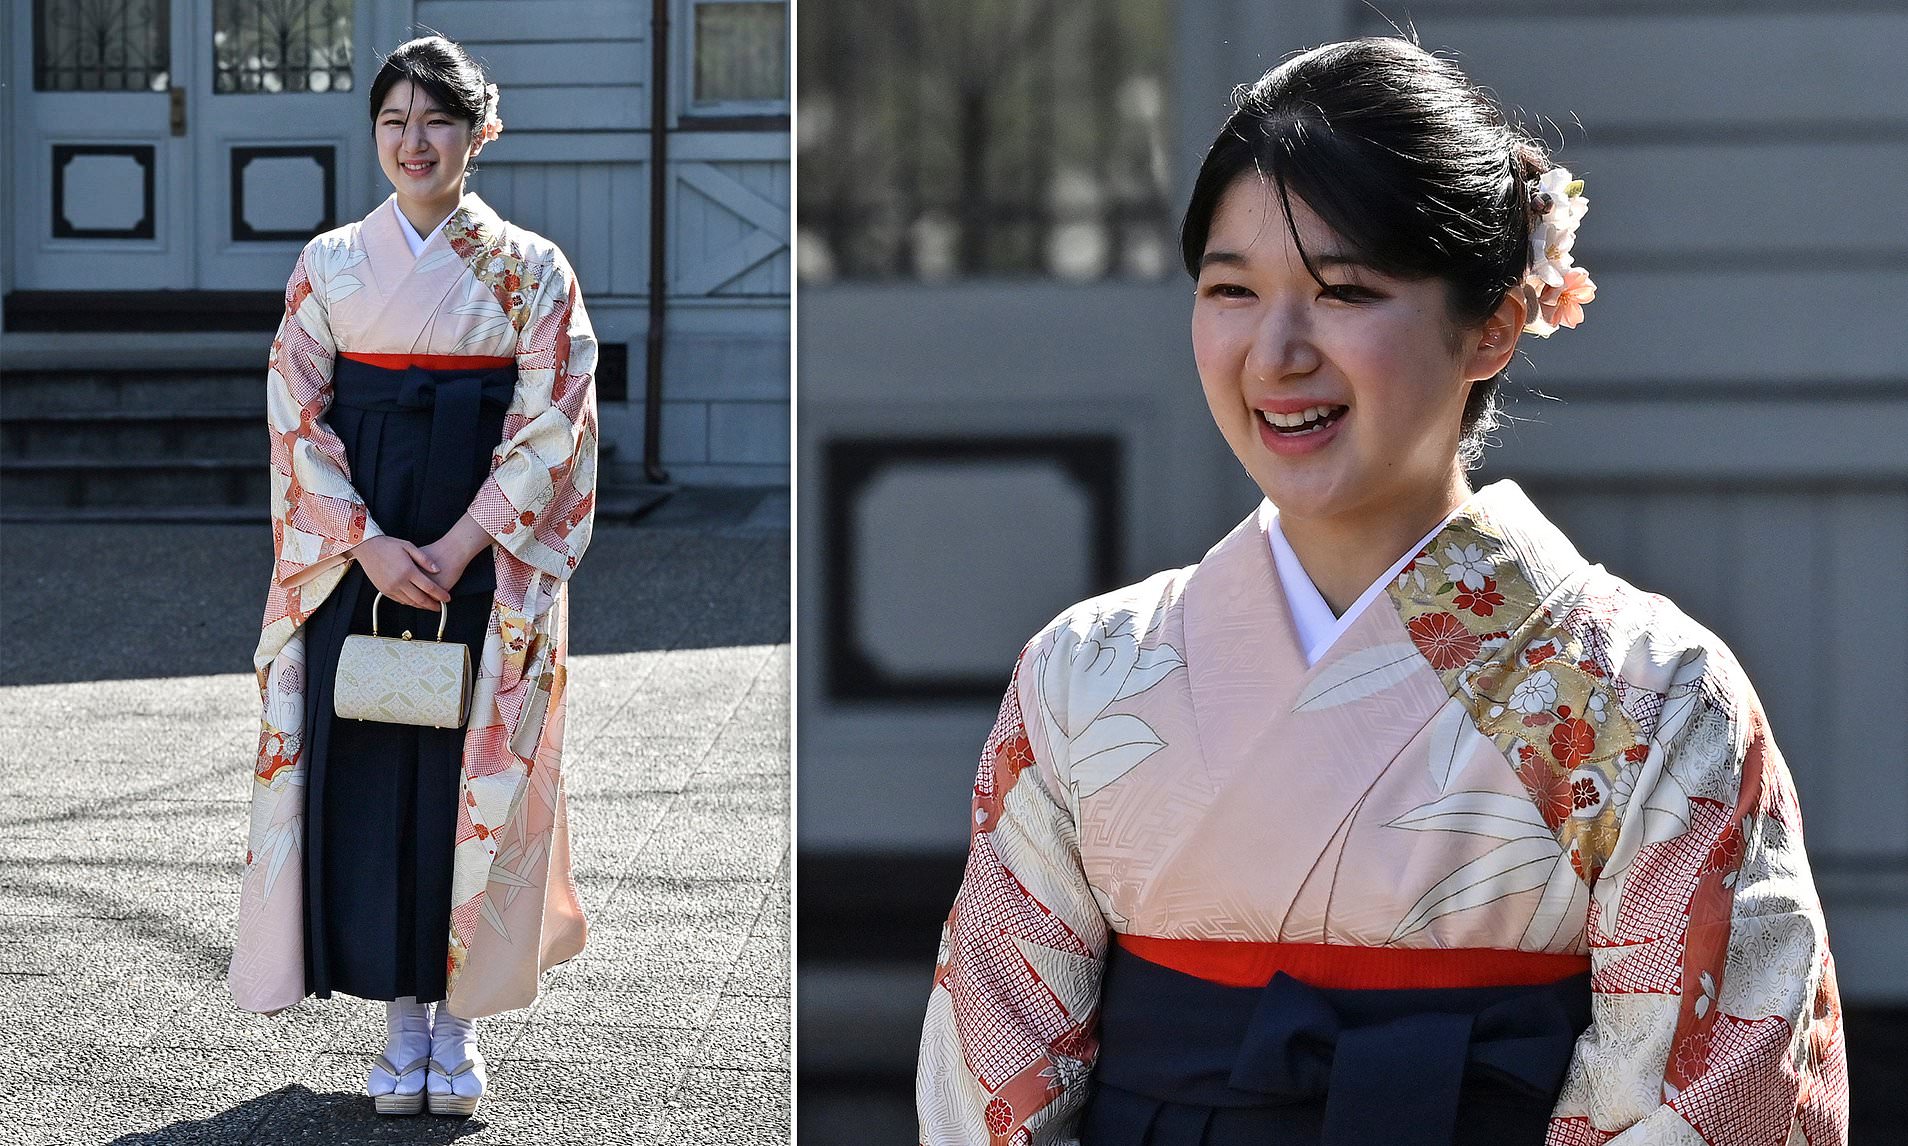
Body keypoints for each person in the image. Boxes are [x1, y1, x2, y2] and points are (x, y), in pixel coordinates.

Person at [917, 36, 1847, 1146]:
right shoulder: (1082, 675)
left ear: (1494, 323)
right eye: (1231, 290)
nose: (1275, 353)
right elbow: (992, 1080)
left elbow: (1723, 1093)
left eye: (1344, 290)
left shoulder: (1652, 696)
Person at [227, 35, 599, 1119]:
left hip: (484, 560)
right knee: (372, 775)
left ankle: (460, 1025)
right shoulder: (331, 262)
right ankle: (399, 1020)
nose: (413, 142)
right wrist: (370, 542)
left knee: (466, 785)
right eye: (394, 122)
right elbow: (297, 410)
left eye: (437, 121)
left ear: (481, 132)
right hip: (364, 553)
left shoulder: (532, 269)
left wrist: (465, 542)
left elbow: (553, 425)